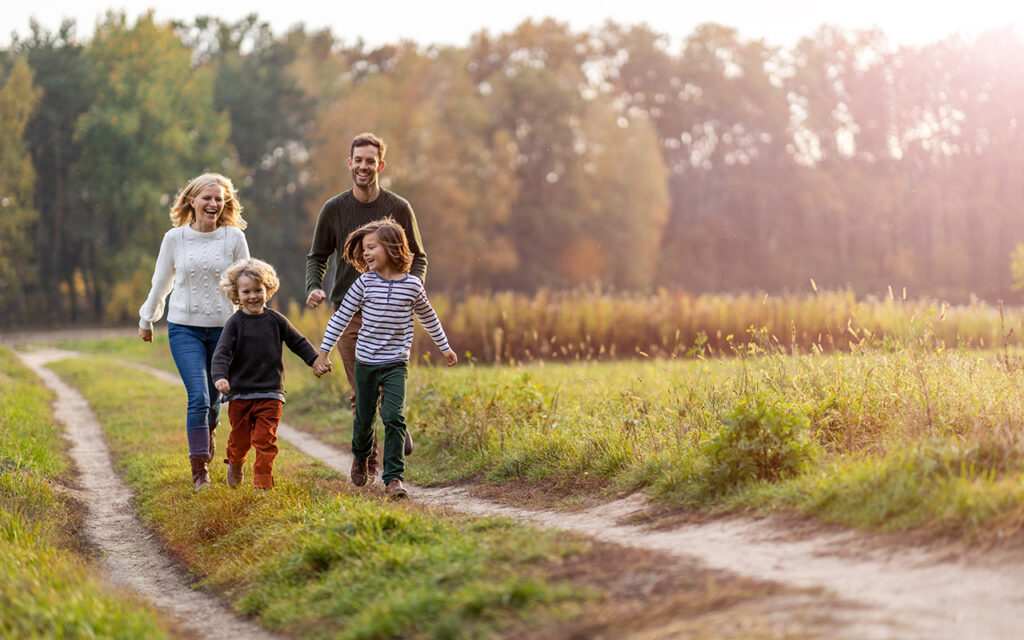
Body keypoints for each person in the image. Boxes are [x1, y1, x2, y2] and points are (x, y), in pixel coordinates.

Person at [315, 219, 456, 499]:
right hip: (366, 362)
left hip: (395, 364)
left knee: (394, 416)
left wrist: (445, 347)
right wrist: (323, 351)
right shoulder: (364, 283)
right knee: (364, 420)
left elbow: (428, 316)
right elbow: (341, 318)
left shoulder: (413, 286)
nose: (365, 253)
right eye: (364, 248)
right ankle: (361, 456)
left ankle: (393, 478)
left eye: (371, 247)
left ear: (391, 247)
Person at [305, 132, 424, 466]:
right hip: (349, 311)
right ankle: (366, 463)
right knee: (362, 392)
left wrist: (409, 291)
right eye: (357, 160)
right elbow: (317, 256)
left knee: (389, 386)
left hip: (391, 313)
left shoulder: (399, 207)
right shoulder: (334, 209)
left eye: (370, 161)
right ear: (349, 163)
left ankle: (395, 422)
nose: (363, 166)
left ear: (380, 165)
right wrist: (314, 286)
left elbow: (419, 257)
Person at [139, 173, 250, 492]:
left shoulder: (233, 238)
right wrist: (148, 318)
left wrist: (251, 324)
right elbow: (161, 282)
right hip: (184, 328)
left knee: (215, 401)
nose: (214, 204)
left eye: (219, 199)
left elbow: (246, 281)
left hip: (224, 332)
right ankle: (200, 471)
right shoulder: (174, 239)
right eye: (207, 197)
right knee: (199, 397)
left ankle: (209, 431)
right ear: (192, 200)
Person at [211, 258, 326, 491]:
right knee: (240, 440)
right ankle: (235, 462)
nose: (253, 296)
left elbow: (298, 342)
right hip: (240, 393)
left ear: (268, 289)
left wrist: (315, 360)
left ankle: (262, 483)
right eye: (246, 292)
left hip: (271, 392)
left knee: (265, 440)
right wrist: (220, 377)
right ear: (236, 294)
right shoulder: (234, 323)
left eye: (258, 290)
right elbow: (221, 353)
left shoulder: (276, 320)